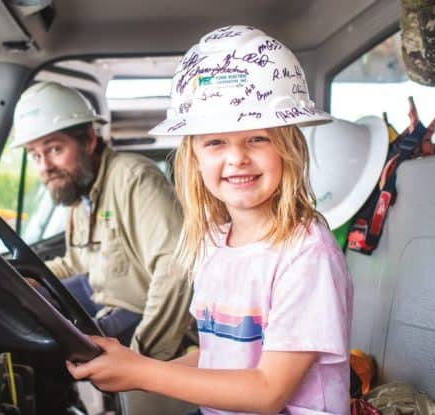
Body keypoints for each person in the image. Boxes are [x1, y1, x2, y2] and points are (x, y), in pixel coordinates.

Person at [66, 25, 353, 415]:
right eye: (216, 142)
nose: (237, 158)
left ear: (289, 147)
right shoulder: (214, 242)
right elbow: (217, 358)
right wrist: (138, 368)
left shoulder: (306, 252)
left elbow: (268, 391)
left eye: (258, 138)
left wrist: (142, 373)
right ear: (194, 157)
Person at [11, 81, 192, 360]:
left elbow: (176, 269)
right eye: (35, 155)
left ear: (89, 140)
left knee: (50, 357)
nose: (45, 166)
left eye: (55, 149)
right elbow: (77, 262)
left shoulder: (133, 178)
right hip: (107, 303)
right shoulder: (80, 193)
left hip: (148, 315)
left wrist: (144, 359)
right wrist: (23, 279)